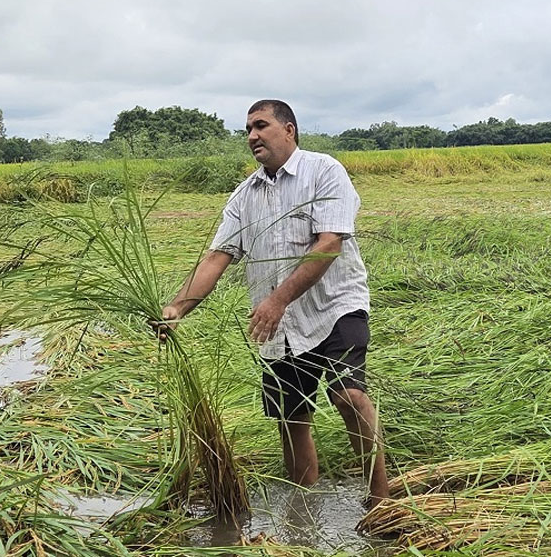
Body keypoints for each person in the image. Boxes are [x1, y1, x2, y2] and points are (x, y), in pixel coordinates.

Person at [156, 99, 389, 507]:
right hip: (279, 327)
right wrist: (177, 308)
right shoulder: (244, 197)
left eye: (260, 125)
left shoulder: (324, 171)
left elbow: (329, 244)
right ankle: (304, 515)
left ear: (289, 130)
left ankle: (382, 503)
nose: (252, 136)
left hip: (335, 306)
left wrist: (277, 300)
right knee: (292, 419)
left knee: (348, 396)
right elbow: (216, 259)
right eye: (247, 129)